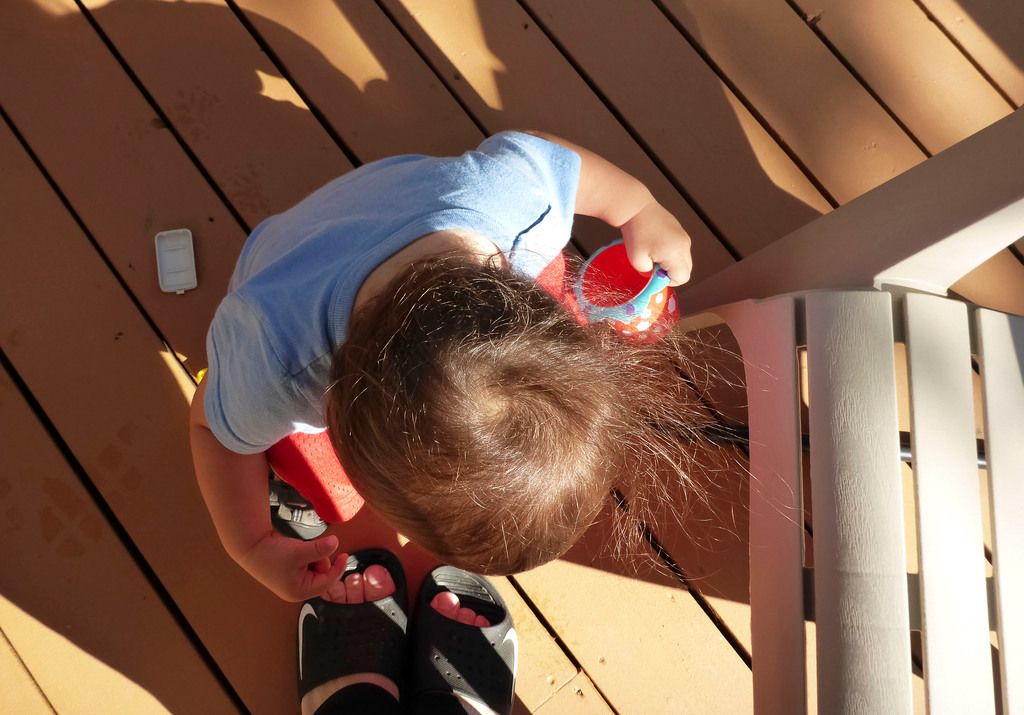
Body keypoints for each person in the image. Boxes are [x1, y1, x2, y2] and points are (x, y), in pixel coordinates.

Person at [188, 129, 704, 707]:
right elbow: (213, 430)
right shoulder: (275, 366)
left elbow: (551, 161)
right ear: (340, 417)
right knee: (280, 452)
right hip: (278, 264)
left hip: (383, 202)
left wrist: (637, 208)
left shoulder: (516, 207)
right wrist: (252, 543)